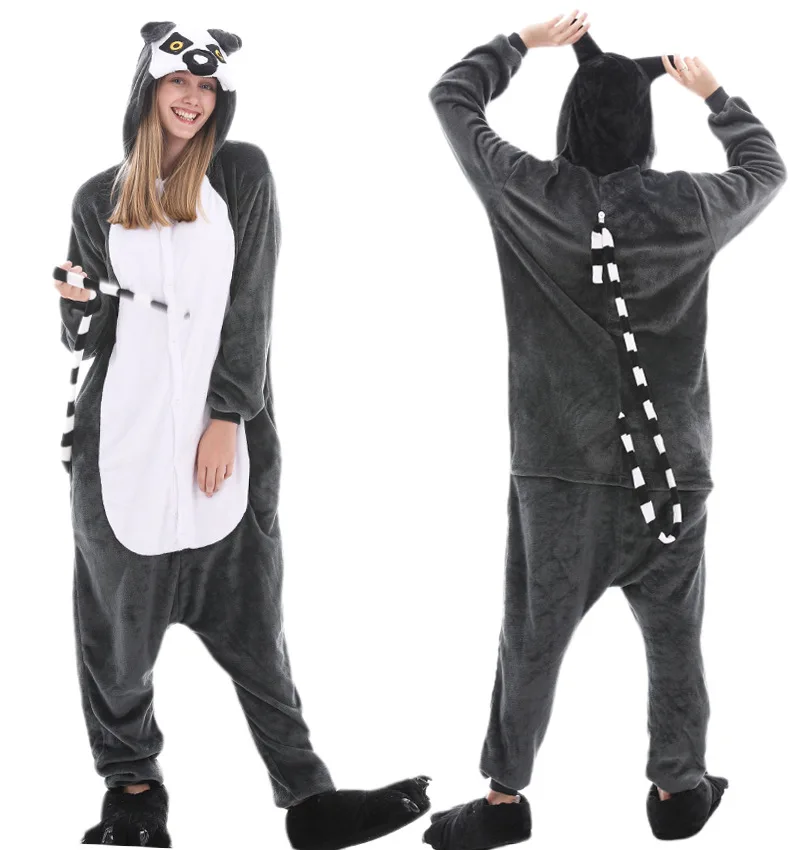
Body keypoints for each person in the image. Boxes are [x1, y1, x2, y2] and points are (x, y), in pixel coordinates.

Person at [55, 21, 431, 848]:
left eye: (207, 88)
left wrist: (228, 416)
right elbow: (87, 339)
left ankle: (309, 797)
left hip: (227, 443)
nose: (192, 100)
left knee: (256, 628)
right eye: (178, 84)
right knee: (114, 639)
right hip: (119, 449)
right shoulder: (96, 199)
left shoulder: (242, 174)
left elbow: (252, 304)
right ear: (148, 89)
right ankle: (133, 791)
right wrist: (76, 307)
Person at [425, 10, 785, 848]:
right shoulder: (689, 205)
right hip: (672, 474)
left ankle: (504, 803)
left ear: (570, 118)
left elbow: (452, 98)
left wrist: (523, 44)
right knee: (675, 638)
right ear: (645, 127)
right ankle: (679, 792)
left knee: (532, 638)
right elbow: (767, 168)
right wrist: (713, 94)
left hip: (560, 475)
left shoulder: (527, 192)